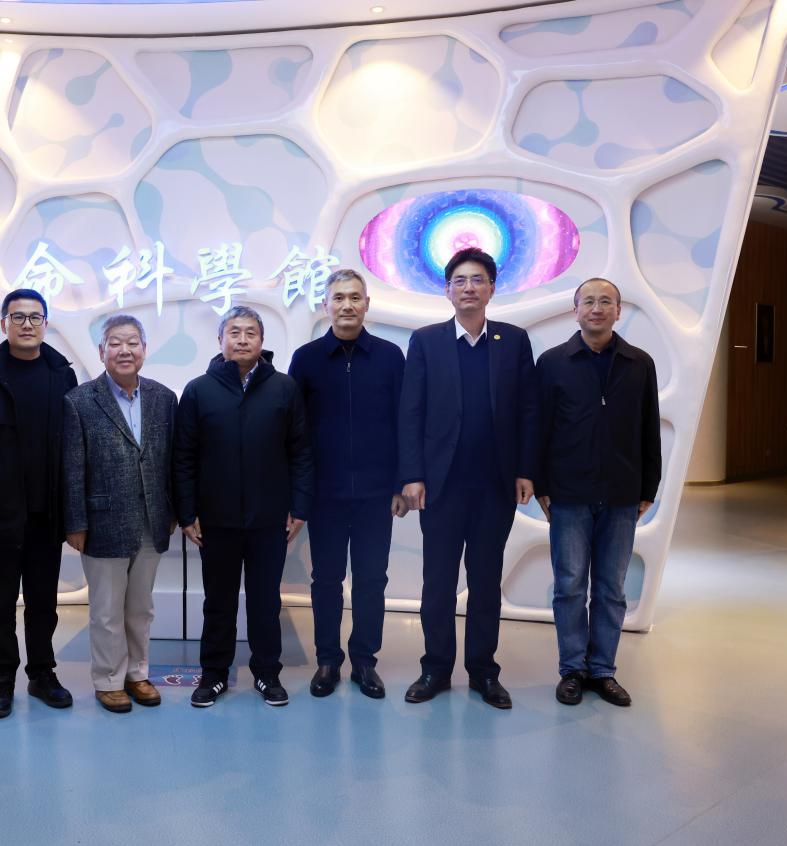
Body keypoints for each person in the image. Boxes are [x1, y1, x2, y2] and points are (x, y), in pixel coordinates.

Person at [399, 248, 539, 710]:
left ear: (492, 288)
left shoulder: (513, 340)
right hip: (441, 487)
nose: (469, 288)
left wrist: (525, 469)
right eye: (459, 280)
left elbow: (528, 410)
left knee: (485, 582)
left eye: (478, 279)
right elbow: (411, 411)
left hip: (495, 486)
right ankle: (436, 668)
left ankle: (483, 671)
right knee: (438, 582)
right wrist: (412, 475)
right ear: (447, 290)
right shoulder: (426, 341)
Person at [173, 305, 314, 707]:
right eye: (234, 332)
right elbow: (183, 456)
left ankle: (267, 674)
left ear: (262, 341)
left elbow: (301, 452)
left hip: (270, 518)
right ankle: (213, 675)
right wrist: (187, 513)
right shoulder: (198, 390)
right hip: (215, 519)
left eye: (250, 332)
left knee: (265, 602)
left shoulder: (284, 388)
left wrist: (300, 507)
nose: (242, 339)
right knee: (218, 602)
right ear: (220, 340)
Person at [536, 278, 661, 708]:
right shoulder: (553, 362)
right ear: (575, 311)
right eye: (588, 301)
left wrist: (649, 487)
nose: (596, 308)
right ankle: (573, 669)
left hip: (623, 494)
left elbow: (649, 428)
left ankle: (603, 670)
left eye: (606, 301)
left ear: (618, 311)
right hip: (568, 494)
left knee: (611, 589)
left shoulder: (639, 363)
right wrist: (541, 486)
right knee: (570, 586)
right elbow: (540, 429)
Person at [0, 288, 79, 718]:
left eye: (35, 317)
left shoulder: (61, 374)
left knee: (44, 602)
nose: (27, 324)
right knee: (0, 604)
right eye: (18, 317)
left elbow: (73, 449)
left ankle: (42, 673)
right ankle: (3, 679)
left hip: (47, 512)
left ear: (45, 323)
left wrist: (73, 513)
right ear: (3, 324)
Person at [288, 268, 407, 699]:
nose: (347, 305)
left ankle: (365, 661)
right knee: (326, 580)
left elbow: (405, 422)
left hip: (378, 494)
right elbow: (294, 431)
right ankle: (327, 660)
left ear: (367, 304)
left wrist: (401, 483)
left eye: (355, 297)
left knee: (373, 580)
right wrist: (299, 493)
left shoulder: (391, 356)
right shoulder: (306, 359)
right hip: (325, 494)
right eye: (338, 298)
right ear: (326, 305)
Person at [62, 314, 177, 713]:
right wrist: (76, 522)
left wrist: (174, 510)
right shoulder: (79, 401)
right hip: (102, 522)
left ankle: (137, 674)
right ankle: (108, 679)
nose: (124, 350)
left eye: (132, 343)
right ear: (101, 351)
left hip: (152, 518)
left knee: (140, 607)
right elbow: (72, 467)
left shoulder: (164, 398)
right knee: (107, 610)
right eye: (115, 343)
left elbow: (173, 459)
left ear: (144, 349)